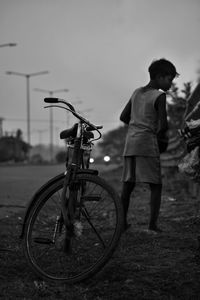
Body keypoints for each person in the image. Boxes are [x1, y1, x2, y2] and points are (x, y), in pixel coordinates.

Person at [120, 58, 179, 232]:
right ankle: (152, 225)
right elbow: (163, 126)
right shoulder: (159, 96)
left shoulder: (136, 92)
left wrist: (136, 126)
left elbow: (124, 117)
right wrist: (160, 137)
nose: (170, 84)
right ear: (160, 77)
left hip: (130, 143)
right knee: (156, 185)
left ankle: (122, 224)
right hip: (147, 143)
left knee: (128, 184)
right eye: (169, 80)